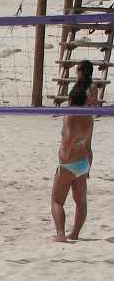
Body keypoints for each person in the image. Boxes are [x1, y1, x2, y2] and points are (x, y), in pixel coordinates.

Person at [51, 83, 94, 242]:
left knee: (57, 201)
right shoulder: (89, 119)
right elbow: (88, 146)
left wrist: (64, 155)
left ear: (70, 100)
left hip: (68, 164)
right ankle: (75, 234)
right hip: (83, 163)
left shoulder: (69, 116)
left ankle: (61, 234)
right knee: (81, 202)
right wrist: (89, 167)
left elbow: (68, 140)